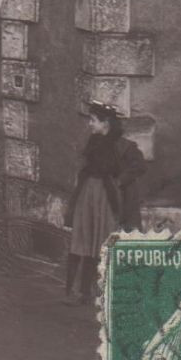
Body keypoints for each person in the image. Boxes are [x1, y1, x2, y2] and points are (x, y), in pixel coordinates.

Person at [63, 101, 145, 304]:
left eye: (93, 120)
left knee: (104, 238)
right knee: (85, 238)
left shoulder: (124, 146)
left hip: (108, 199)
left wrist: (118, 182)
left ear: (105, 122)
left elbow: (138, 166)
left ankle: (107, 291)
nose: (90, 124)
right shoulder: (93, 143)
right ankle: (83, 292)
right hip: (88, 196)